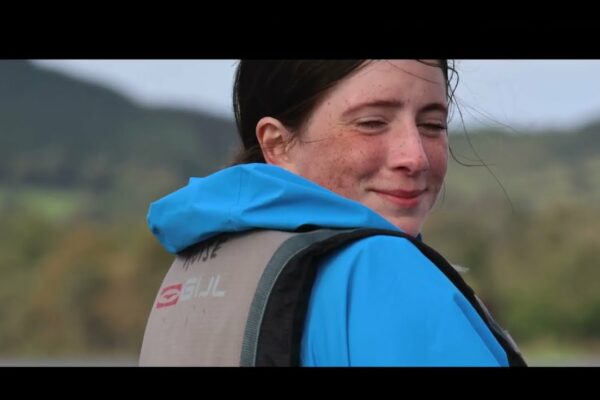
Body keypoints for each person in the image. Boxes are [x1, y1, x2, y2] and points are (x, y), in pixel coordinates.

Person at [139, 60, 526, 367]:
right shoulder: (380, 267)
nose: (415, 157)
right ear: (278, 143)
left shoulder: (191, 276)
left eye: (431, 124)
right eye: (372, 123)